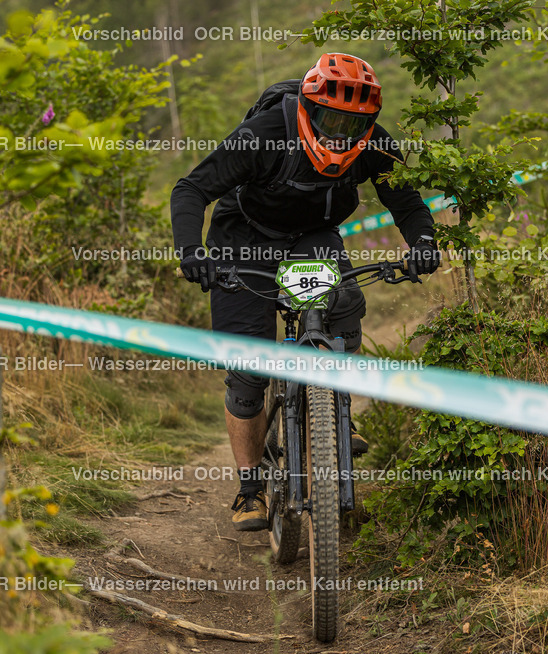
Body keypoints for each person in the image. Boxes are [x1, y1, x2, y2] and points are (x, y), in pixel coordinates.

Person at [171, 53, 440, 531]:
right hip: (244, 238)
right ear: (307, 109)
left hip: (312, 236)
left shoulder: (375, 145)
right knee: (248, 369)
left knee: (342, 307)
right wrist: (192, 251)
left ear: (370, 122)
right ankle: (249, 488)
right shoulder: (263, 135)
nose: (340, 132)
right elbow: (190, 189)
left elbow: (407, 202)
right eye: (330, 118)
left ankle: (333, 407)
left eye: (353, 123)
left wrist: (423, 243)